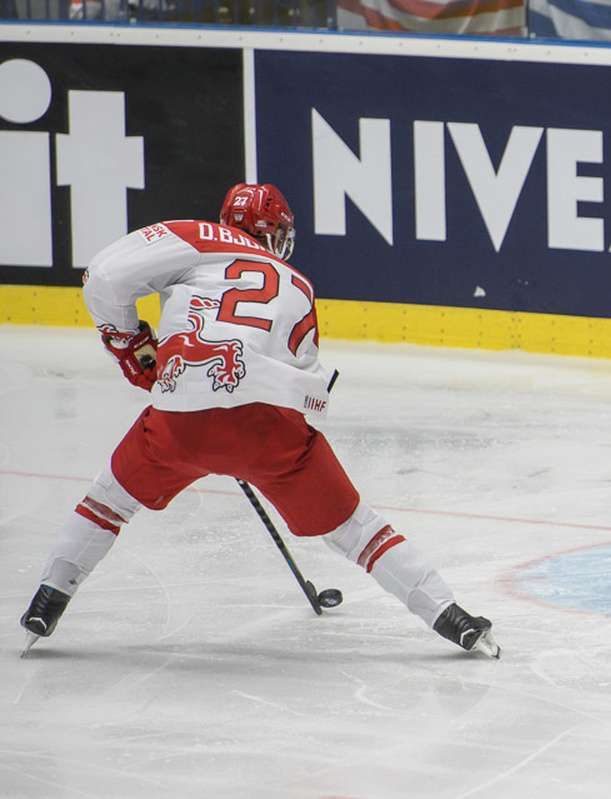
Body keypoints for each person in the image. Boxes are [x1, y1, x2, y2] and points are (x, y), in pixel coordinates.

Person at [19, 183, 500, 658]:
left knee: (109, 501)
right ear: (278, 235)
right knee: (358, 530)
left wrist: (130, 343)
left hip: (181, 417)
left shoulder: (196, 237)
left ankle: (49, 598)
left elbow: (103, 276)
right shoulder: (299, 285)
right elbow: (309, 388)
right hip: (271, 429)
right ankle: (451, 617)